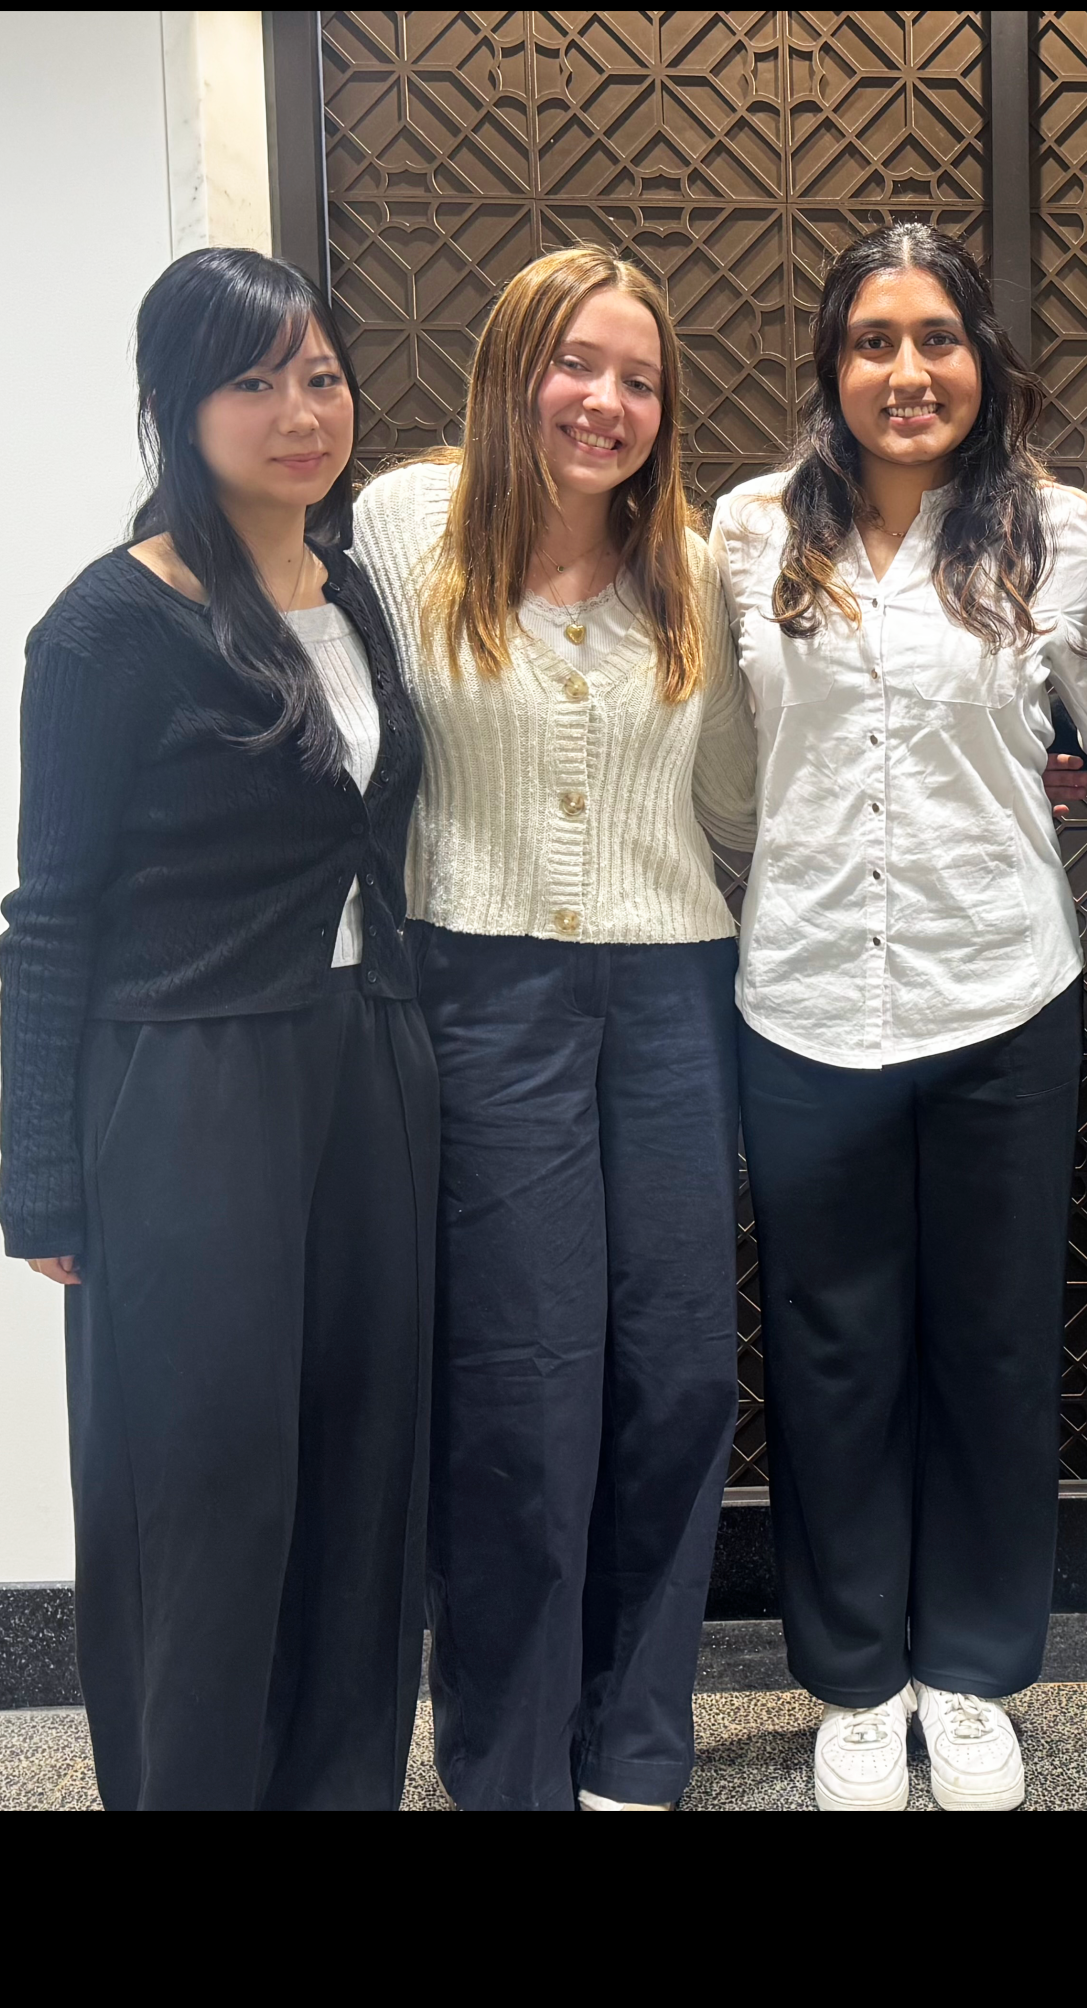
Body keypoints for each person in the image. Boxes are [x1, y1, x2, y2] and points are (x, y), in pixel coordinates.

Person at [712, 222, 1087, 1812]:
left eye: (939, 337)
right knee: (828, 1352)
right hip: (809, 991)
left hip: (997, 990)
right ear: (834, 364)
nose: (909, 370)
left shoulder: (1055, 535)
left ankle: (965, 1670)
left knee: (992, 1343)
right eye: (875, 340)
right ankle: (850, 1677)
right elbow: (731, 760)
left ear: (985, 359)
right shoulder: (750, 529)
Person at [0, 247, 434, 1808]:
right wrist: (39, 1176)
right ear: (178, 401)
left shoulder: (355, 591)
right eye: (254, 379)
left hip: (366, 1067)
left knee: (363, 1471)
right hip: (184, 1086)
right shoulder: (108, 625)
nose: (298, 410)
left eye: (319, 374)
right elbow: (49, 914)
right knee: (204, 1490)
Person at [353, 246, 756, 1812]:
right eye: (576, 365)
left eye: (639, 377)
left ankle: (638, 1737)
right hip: (483, 990)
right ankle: (509, 1759)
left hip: (672, 995)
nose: (606, 401)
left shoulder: (699, 569)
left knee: (676, 1379)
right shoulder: (404, 526)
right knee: (520, 1388)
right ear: (513, 369)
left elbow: (730, 796)